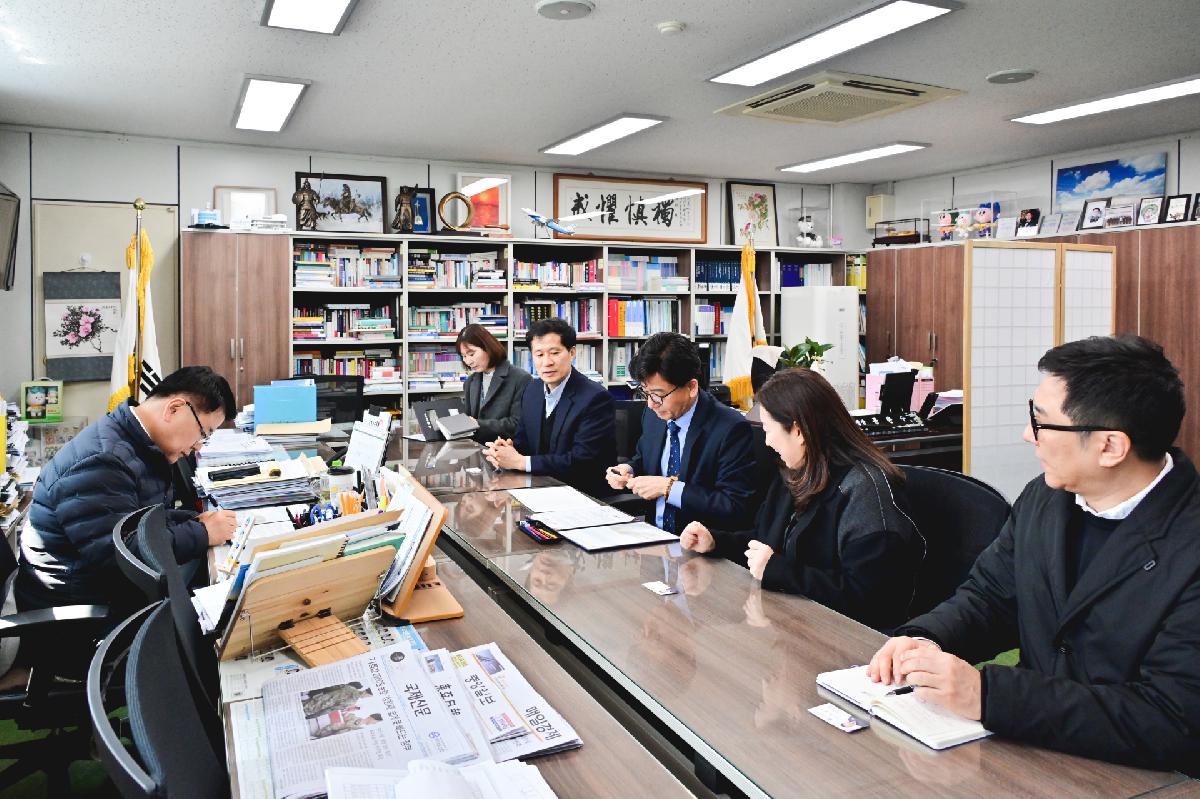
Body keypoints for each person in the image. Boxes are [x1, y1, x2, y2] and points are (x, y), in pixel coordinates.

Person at [867, 335, 1200, 773]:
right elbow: (991, 597)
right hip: (1028, 753)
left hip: (1137, 777)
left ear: (1110, 446)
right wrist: (925, 638)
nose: (1028, 435)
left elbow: (1171, 719)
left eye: (1040, 421)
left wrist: (986, 695)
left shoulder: (1189, 542)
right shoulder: (1045, 498)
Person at [679, 368, 923, 631]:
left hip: (849, 641)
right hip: (795, 621)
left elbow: (870, 600)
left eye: (769, 430)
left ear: (797, 431)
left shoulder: (864, 490)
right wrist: (717, 542)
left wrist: (780, 571)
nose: (767, 442)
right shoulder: (798, 471)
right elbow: (766, 542)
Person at [17, 366, 238, 611]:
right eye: (203, 434)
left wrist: (194, 522)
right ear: (173, 409)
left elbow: (140, 519)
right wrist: (202, 533)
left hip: (101, 585)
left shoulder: (138, 442)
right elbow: (123, 557)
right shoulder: (102, 461)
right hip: (79, 606)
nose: (199, 446)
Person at [606, 332, 757, 533]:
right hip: (653, 538)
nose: (651, 404)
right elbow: (645, 460)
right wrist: (629, 469)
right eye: (645, 393)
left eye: (659, 395)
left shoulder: (730, 429)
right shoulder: (654, 415)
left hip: (700, 548)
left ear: (691, 387)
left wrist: (670, 489)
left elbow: (734, 506)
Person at [484, 318, 615, 497]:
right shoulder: (532, 389)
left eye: (554, 353)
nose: (547, 362)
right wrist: (506, 451)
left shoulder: (595, 398)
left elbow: (581, 461)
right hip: (538, 489)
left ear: (572, 352)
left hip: (581, 495)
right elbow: (524, 442)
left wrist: (521, 462)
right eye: (539, 354)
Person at [456, 322, 532, 442]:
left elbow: (518, 424)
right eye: (463, 356)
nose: (468, 361)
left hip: (505, 451)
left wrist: (477, 424)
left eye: (471, 354)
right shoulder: (470, 382)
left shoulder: (520, 378)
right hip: (475, 451)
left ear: (488, 347)